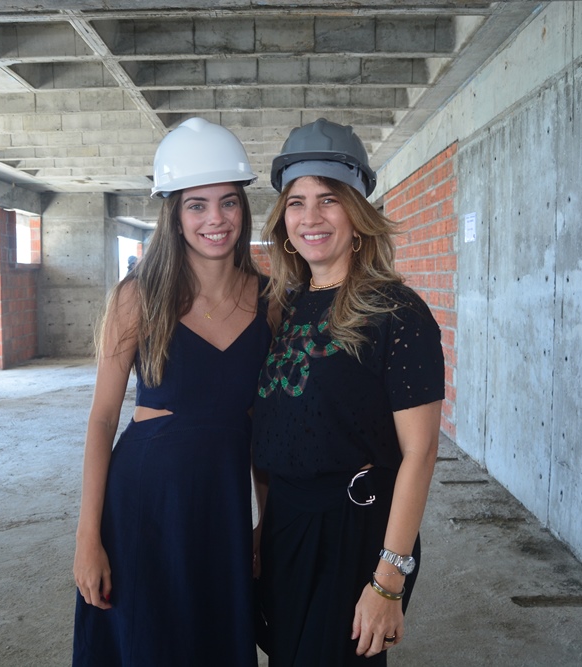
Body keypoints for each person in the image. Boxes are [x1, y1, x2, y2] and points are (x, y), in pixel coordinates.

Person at [71, 117, 270, 667]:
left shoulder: (270, 300)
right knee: (149, 644)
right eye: (196, 205)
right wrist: (88, 536)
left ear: (243, 208)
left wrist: (267, 519)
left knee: (214, 641)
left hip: (223, 505)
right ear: (175, 216)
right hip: (145, 503)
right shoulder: (138, 296)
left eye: (228, 203)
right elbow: (101, 419)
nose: (215, 219)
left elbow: (264, 424)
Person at [251, 118, 446, 666]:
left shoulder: (397, 313)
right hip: (287, 525)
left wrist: (388, 580)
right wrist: (263, 528)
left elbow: (421, 452)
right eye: (296, 202)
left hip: (351, 529)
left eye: (328, 200)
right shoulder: (284, 307)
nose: (310, 217)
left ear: (358, 215)